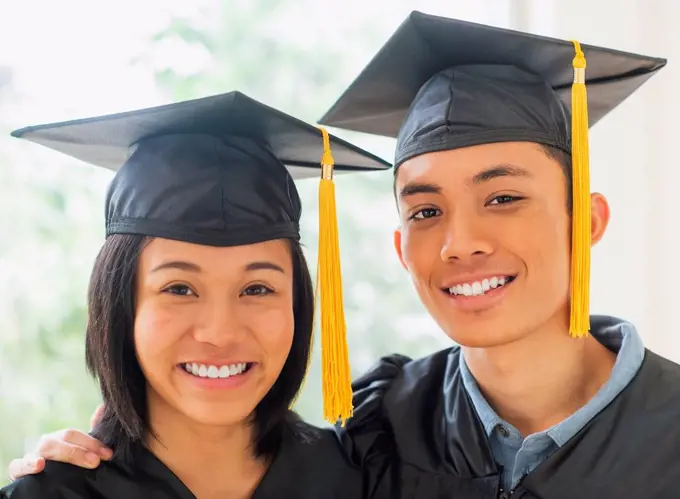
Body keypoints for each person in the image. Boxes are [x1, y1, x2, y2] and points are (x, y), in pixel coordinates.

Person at [9, 12, 680, 498]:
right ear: (399, 246)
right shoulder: (378, 432)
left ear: (587, 220)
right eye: (425, 211)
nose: (462, 241)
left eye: (503, 196)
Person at [1, 91, 389, 498]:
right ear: (121, 305)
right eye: (179, 288)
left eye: (257, 288)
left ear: (297, 302)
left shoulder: (359, 482)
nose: (219, 333)